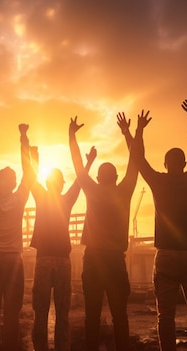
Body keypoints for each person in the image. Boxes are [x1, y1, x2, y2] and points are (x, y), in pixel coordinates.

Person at [120, 102, 187, 351]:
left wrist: (135, 132)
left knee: (165, 316)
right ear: (184, 163)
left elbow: (138, 158)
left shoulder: (158, 182)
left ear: (165, 164)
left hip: (165, 256)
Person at [69, 115, 139, 351]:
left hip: (93, 259)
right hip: (115, 261)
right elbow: (135, 161)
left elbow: (78, 165)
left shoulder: (92, 190)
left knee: (92, 316)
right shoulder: (125, 191)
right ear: (116, 178)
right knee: (120, 316)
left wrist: (72, 135)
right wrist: (130, 133)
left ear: (98, 178)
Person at [30, 143, 97, 351]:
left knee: (40, 313)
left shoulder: (42, 197)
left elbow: (31, 179)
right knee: (62, 314)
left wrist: (32, 157)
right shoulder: (66, 200)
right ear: (60, 184)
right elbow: (79, 183)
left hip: (43, 261)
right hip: (62, 262)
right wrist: (89, 161)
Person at [0, 123, 33, 351]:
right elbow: (29, 172)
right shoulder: (20, 198)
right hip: (13, 261)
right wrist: (23, 136)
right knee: (12, 314)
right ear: (13, 183)